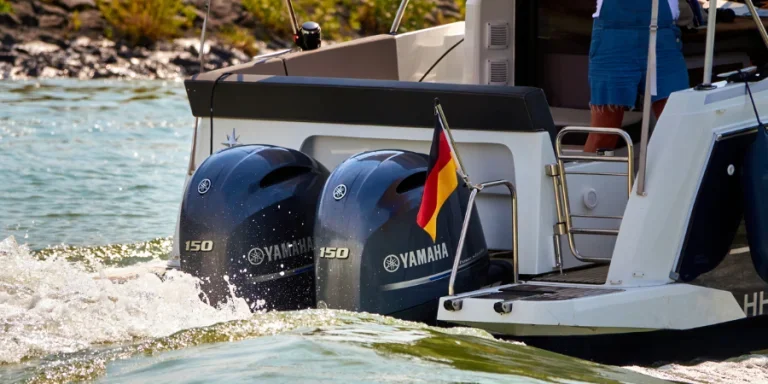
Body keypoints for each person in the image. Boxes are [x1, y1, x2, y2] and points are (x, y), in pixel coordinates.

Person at [584, 0, 690, 153]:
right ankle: (587, 177)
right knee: (604, 135)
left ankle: (668, 177)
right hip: (614, 37)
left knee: (678, 131)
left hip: (663, 38)